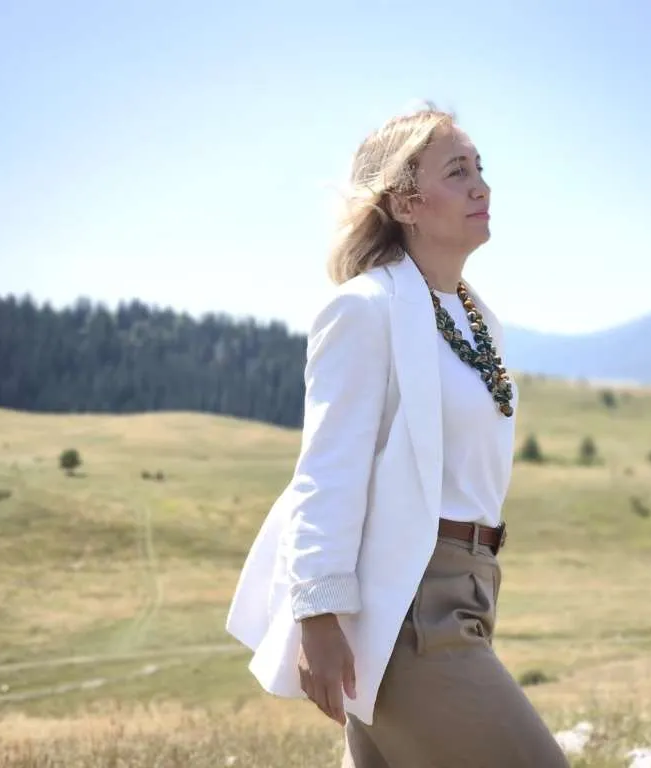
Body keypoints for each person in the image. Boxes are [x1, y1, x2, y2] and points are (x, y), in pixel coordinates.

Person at [225, 104, 570, 767]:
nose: (481, 186)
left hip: (471, 588)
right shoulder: (365, 308)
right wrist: (318, 616)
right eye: (457, 171)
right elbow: (327, 469)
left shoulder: (476, 319)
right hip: (407, 602)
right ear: (406, 203)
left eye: (480, 169)